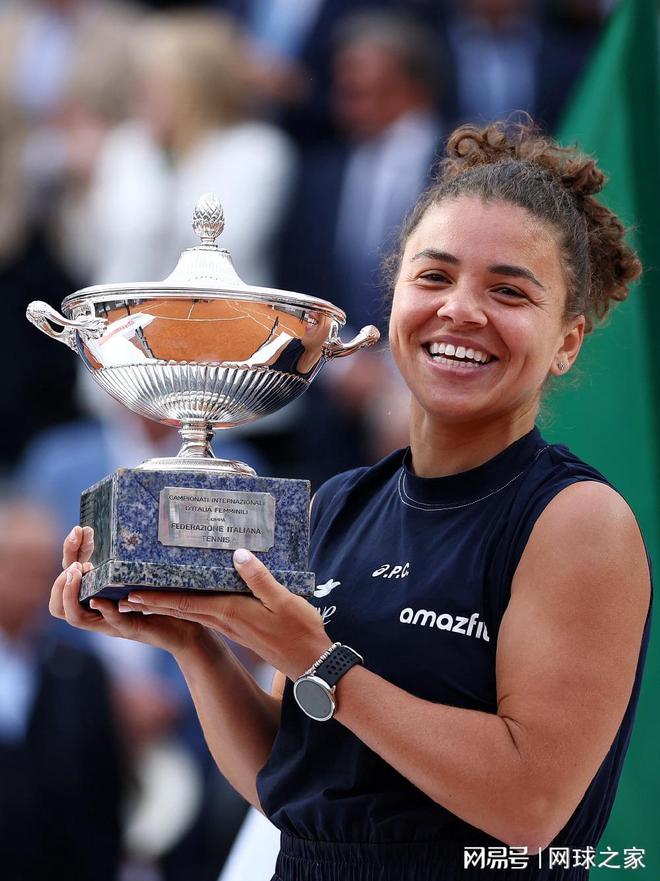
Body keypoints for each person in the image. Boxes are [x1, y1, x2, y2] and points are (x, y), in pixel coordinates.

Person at [49, 120, 653, 880]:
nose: (461, 309)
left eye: (508, 290)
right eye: (434, 277)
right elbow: (289, 780)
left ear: (567, 340)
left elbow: (530, 808)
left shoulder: (576, 521)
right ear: (394, 297)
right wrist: (195, 641)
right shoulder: (337, 505)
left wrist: (318, 659)